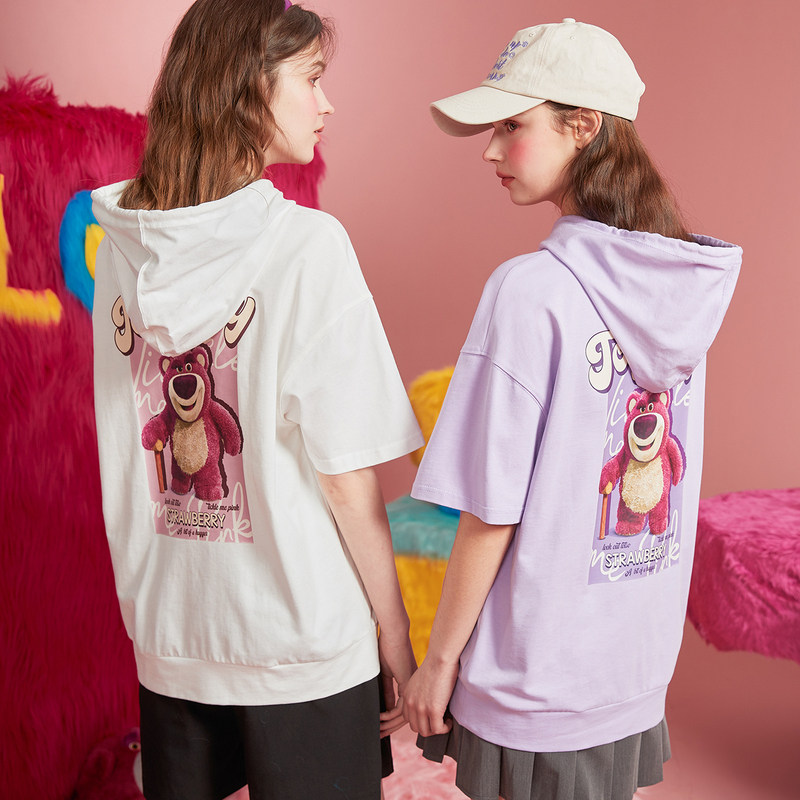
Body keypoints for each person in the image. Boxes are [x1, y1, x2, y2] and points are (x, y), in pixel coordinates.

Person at [402, 18, 742, 800]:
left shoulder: (529, 291)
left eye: (511, 126)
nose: (490, 151)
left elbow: (491, 508)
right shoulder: (679, 290)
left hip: (534, 680)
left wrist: (439, 661)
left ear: (583, 126)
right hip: (632, 673)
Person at [90, 1, 422, 798]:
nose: (326, 103)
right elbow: (345, 475)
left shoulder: (124, 251)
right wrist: (395, 635)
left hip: (173, 633)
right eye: (311, 79)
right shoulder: (308, 247)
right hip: (301, 641)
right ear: (248, 88)